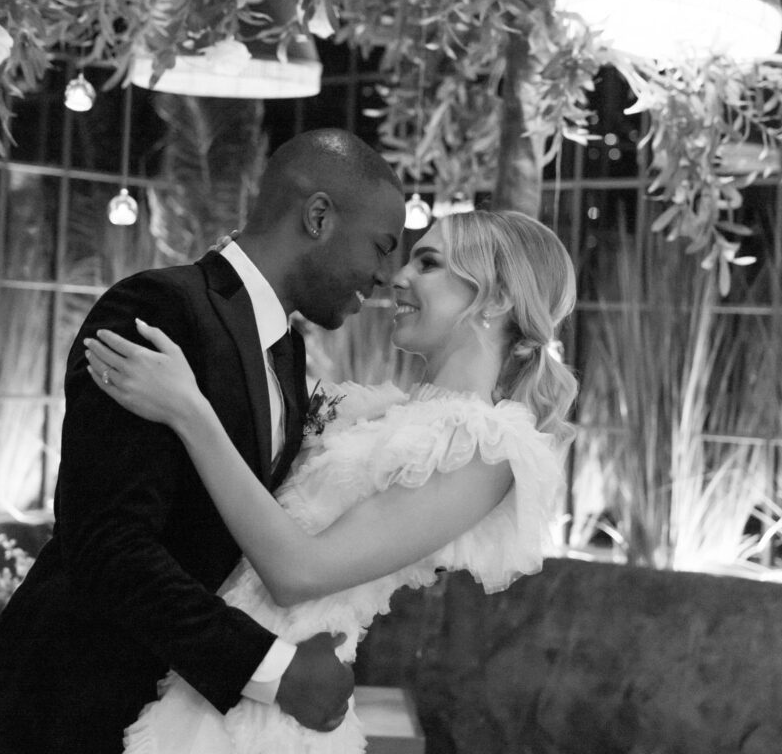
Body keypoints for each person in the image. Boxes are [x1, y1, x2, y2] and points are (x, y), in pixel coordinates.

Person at [0, 128, 408, 754]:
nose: (384, 276)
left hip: (175, 706)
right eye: (382, 246)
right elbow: (107, 543)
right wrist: (269, 670)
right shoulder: (159, 308)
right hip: (76, 702)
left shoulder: (286, 349)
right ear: (318, 216)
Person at [84, 209, 579, 754]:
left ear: (496, 299)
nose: (398, 277)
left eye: (429, 263)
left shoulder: (483, 447)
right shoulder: (377, 411)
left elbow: (297, 573)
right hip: (209, 665)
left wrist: (188, 412)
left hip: (269, 712)